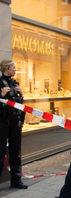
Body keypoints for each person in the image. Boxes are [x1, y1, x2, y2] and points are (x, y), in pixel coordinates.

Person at [0, 60, 27, 189]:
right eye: (13, 67)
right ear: (7, 68)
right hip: (3, 121)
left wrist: (21, 94)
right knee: (0, 152)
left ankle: (16, 180)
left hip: (15, 121)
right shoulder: (0, 83)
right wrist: (1, 95)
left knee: (15, 151)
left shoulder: (15, 84)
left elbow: (20, 103)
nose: (15, 70)